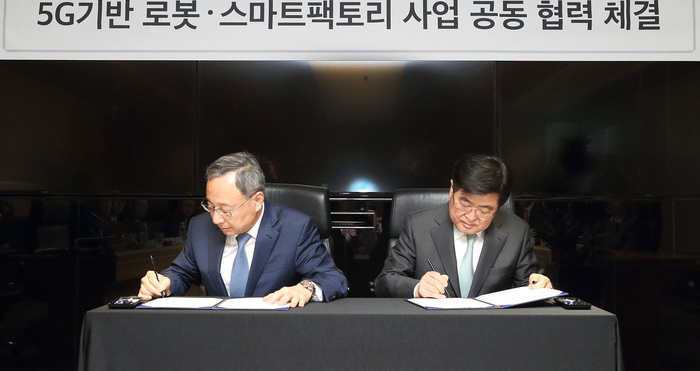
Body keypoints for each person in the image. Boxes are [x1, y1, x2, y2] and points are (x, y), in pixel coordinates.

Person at [139, 152, 347, 307]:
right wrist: (164, 283)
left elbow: (333, 279)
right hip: (218, 333)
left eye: (226, 210)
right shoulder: (200, 227)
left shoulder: (295, 228)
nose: (215, 219)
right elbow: (181, 273)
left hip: (276, 332)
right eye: (210, 206)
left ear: (257, 200)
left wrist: (305, 288)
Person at [374, 153, 551, 299]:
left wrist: (540, 287)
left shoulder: (516, 231)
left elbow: (529, 284)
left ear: (499, 206)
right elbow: (385, 281)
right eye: (464, 204)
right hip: (433, 324)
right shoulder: (419, 226)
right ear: (452, 189)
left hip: (491, 326)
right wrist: (418, 288)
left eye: (484, 210)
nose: (471, 217)